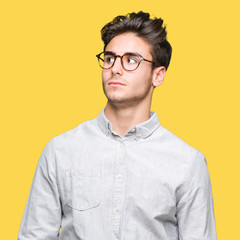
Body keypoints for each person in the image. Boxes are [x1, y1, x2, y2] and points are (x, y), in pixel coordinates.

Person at [18, 11, 217, 240]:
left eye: (131, 60)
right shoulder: (60, 151)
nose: (116, 68)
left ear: (158, 75)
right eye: (110, 58)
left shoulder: (187, 163)